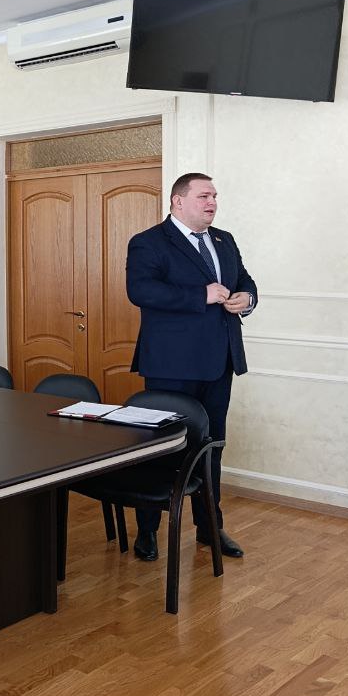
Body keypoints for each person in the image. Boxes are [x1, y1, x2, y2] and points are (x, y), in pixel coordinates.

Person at [126, 172, 256, 562]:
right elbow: (141, 290)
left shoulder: (224, 240)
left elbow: (244, 280)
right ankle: (148, 531)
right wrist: (201, 294)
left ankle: (209, 528)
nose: (212, 202)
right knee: (160, 448)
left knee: (211, 448)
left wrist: (247, 298)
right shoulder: (148, 241)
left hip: (220, 363)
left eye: (214, 195)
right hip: (171, 366)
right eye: (204, 196)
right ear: (178, 201)